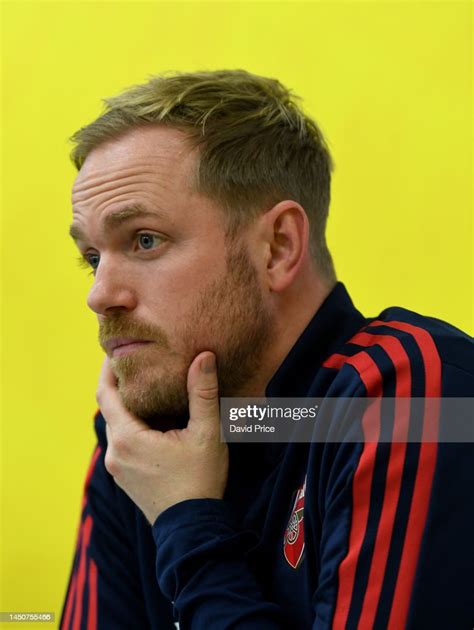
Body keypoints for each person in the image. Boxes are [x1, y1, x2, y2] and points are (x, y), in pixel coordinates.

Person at [60, 70, 474, 630]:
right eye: (92, 257)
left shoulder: (415, 395)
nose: (100, 295)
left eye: (145, 240)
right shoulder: (141, 440)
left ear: (278, 247)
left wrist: (187, 521)